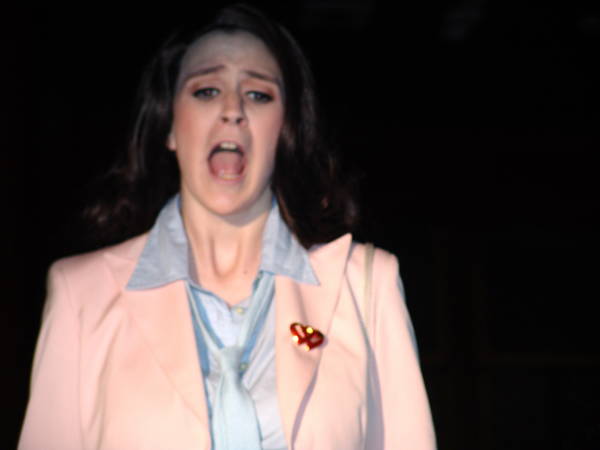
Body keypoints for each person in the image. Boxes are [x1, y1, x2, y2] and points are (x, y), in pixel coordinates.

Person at [19, 4, 436, 449]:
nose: (232, 110)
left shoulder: (366, 285)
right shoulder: (82, 294)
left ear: (286, 129)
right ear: (170, 125)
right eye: (206, 91)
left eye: (258, 95)